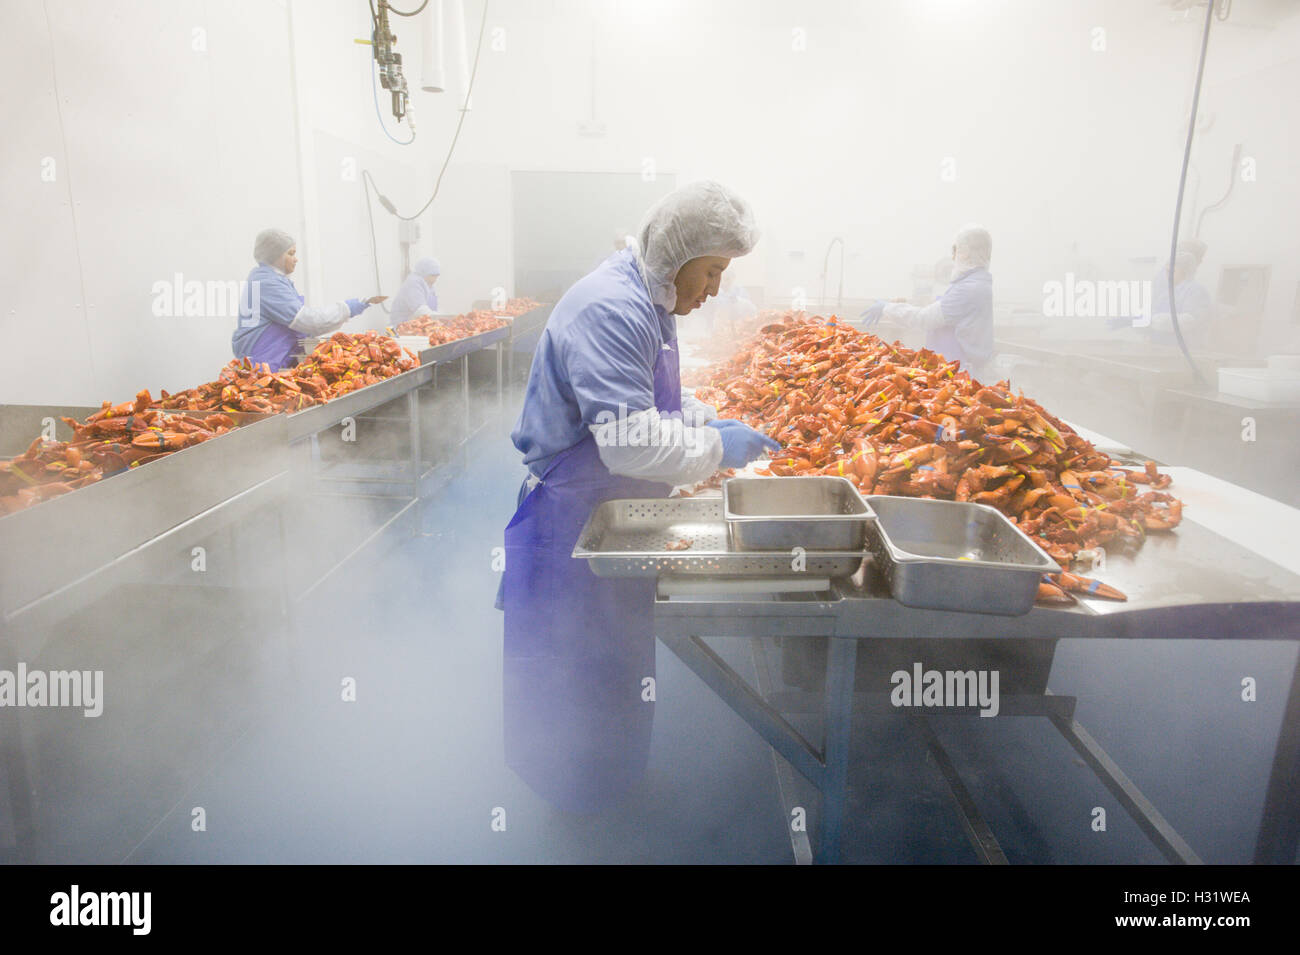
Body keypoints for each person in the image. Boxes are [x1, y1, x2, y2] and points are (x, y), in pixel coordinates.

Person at [496, 181, 777, 813]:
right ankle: (573, 799)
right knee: (571, 661)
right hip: (571, 514)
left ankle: (610, 777)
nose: (714, 289)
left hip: (609, 510)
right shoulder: (612, 308)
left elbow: (650, 402)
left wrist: (704, 421)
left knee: (614, 658)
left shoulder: (650, 301)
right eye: (712, 271)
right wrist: (714, 451)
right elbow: (627, 442)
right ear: (681, 258)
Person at [232, 229, 386, 371]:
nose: (296, 259)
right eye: (291, 253)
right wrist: (349, 308)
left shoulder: (274, 280)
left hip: (274, 361)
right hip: (264, 365)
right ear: (275, 255)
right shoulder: (267, 283)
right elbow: (307, 321)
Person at [862, 224, 995, 380]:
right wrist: (903, 304)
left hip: (957, 373)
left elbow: (925, 319)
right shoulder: (972, 283)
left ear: (965, 253)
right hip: (948, 367)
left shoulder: (970, 288)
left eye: (955, 250)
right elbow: (941, 309)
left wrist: (887, 308)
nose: (953, 257)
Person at [1147, 240, 1215, 348]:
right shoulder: (1166, 291)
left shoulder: (1196, 291)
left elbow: (1188, 321)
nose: (1201, 261)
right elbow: (1154, 312)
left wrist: (1151, 321)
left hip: (1182, 350)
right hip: (1159, 345)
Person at [389, 256, 441, 326]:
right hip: (401, 327)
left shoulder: (428, 285)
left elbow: (431, 309)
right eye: (432, 275)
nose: (435, 279)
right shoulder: (413, 283)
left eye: (436, 276)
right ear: (424, 272)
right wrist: (440, 319)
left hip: (418, 326)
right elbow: (420, 310)